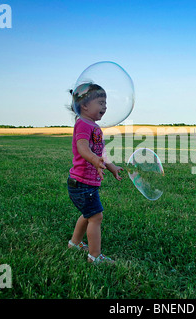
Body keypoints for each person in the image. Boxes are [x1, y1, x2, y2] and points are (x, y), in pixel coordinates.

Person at [67, 83, 123, 264]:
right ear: (84, 105)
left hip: (85, 183)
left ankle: (75, 243)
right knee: (96, 216)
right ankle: (95, 256)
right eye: (100, 102)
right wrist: (93, 160)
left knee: (88, 213)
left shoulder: (93, 126)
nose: (104, 107)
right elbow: (82, 148)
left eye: (105, 103)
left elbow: (101, 154)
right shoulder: (83, 124)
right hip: (82, 183)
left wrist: (111, 166)